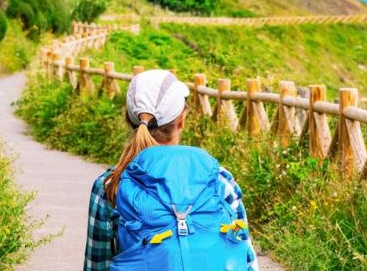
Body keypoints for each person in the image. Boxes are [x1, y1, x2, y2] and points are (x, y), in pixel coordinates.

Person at [83, 70, 259, 271]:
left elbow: (97, 265)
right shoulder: (219, 180)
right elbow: (247, 259)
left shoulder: (110, 185)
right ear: (182, 120)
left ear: (129, 120)